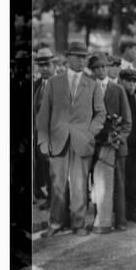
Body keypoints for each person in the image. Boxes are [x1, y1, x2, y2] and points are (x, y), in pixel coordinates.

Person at [37, 41, 106, 237]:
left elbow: (101, 114)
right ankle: (56, 223)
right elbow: (43, 115)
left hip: (81, 141)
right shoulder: (53, 82)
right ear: (68, 57)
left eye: (84, 57)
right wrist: (43, 141)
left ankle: (78, 223)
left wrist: (89, 132)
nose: (81, 60)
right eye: (77, 56)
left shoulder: (92, 84)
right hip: (58, 141)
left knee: (79, 184)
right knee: (57, 184)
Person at [88, 54, 132, 234]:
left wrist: (117, 138)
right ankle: (102, 220)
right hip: (96, 145)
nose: (100, 71)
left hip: (116, 146)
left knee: (119, 183)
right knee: (98, 183)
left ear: (108, 68)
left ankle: (121, 220)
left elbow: (127, 122)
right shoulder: (89, 89)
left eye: (103, 67)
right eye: (96, 68)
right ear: (92, 70)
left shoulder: (118, 90)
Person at [119, 68, 136, 223]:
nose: (131, 84)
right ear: (121, 81)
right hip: (120, 144)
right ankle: (120, 211)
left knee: (135, 180)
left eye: (134, 81)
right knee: (121, 180)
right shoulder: (116, 96)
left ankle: (133, 210)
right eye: (128, 81)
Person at [33, 47, 56, 209]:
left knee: (56, 168)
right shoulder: (36, 84)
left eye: (47, 64)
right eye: (41, 66)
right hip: (40, 134)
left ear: (53, 64)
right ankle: (50, 197)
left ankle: (58, 200)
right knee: (46, 166)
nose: (44, 69)